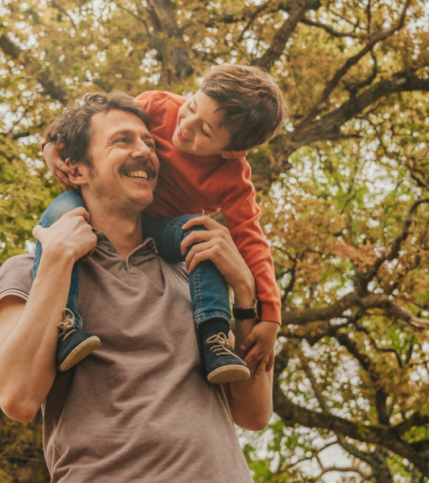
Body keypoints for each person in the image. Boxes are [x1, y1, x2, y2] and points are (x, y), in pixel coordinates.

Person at [0, 92, 273, 483]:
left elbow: (253, 414)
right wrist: (58, 262)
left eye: (148, 141)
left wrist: (246, 294)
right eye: (122, 141)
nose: (144, 150)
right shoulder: (28, 271)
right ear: (77, 168)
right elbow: (17, 398)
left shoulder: (196, 274)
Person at [34, 65, 287, 384]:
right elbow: (90, 125)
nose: (187, 125)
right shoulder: (157, 106)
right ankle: (63, 323)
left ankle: (214, 335)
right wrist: (51, 150)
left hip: (159, 231)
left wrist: (271, 316)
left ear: (232, 150)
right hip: (97, 208)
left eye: (205, 131)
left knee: (204, 238)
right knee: (60, 215)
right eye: (192, 106)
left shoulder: (233, 178)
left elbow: (251, 240)